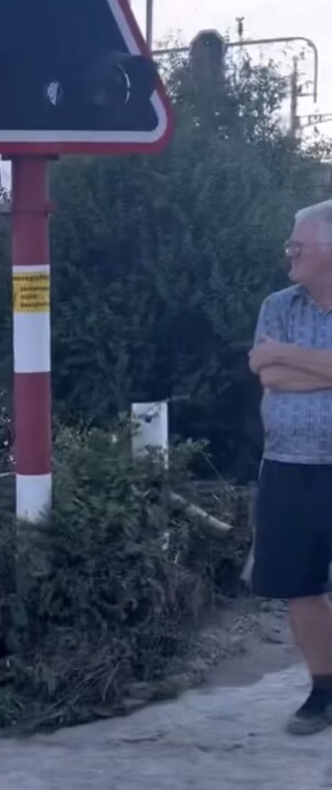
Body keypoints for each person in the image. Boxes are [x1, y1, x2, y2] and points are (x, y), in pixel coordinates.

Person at [249, 199, 332, 735]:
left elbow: (281, 365)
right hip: (286, 467)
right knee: (300, 587)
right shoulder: (278, 305)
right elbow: (265, 371)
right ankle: (323, 691)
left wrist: (289, 357)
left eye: (297, 246)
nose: (289, 255)